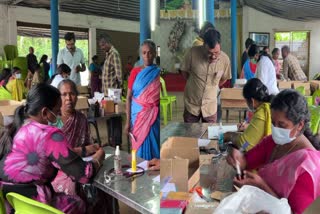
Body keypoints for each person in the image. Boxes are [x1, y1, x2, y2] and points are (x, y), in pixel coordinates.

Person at [0, 83, 105, 213]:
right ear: (45, 112)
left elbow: (52, 155)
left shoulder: (18, 127)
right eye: (56, 112)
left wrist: (85, 150)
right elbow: (84, 174)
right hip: (36, 203)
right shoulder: (49, 134)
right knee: (78, 203)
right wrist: (98, 157)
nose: (58, 116)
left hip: (12, 201)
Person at [227, 89, 320, 214]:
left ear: (300, 125)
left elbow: (293, 212)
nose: (276, 129)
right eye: (273, 123)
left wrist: (261, 185)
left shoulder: (307, 166)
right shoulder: (273, 142)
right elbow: (246, 162)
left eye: (282, 125)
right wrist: (237, 158)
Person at [181, 29, 231, 123]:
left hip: (210, 107)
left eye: (216, 53)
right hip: (192, 106)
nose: (213, 56)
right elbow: (184, 72)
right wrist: (195, 83)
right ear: (203, 45)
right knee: (190, 135)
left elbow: (224, 79)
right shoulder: (192, 53)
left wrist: (212, 87)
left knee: (210, 136)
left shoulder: (225, 60)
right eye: (209, 53)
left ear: (220, 46)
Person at [125, 39, 160, 160]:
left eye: (150, 52)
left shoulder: (158, 72)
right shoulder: (135, 72)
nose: (147, 56)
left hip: (153, 116)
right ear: (141, 54)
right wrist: (127, 122)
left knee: (154, 142)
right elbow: (128, 98)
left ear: (155, 53)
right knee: (139, 145)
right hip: (138, 115)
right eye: (144, 53)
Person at [224, 78, 273, 150]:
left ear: (252, 101)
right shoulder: (269, 107)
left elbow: (244, 144)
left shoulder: (262, 113)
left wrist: (230, 136)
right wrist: (249, 127)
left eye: (246, 101)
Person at [99, 34, 123, 147]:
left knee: (115, 118)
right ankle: (111, 140)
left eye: (103, 45)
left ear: (107, 43)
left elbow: (119, 75)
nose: (101, 47)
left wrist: (118, 91)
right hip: (107, 94)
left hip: (113, 94)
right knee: (109, 118)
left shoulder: (114, 54)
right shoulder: (108, 55)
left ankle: (117, 142)